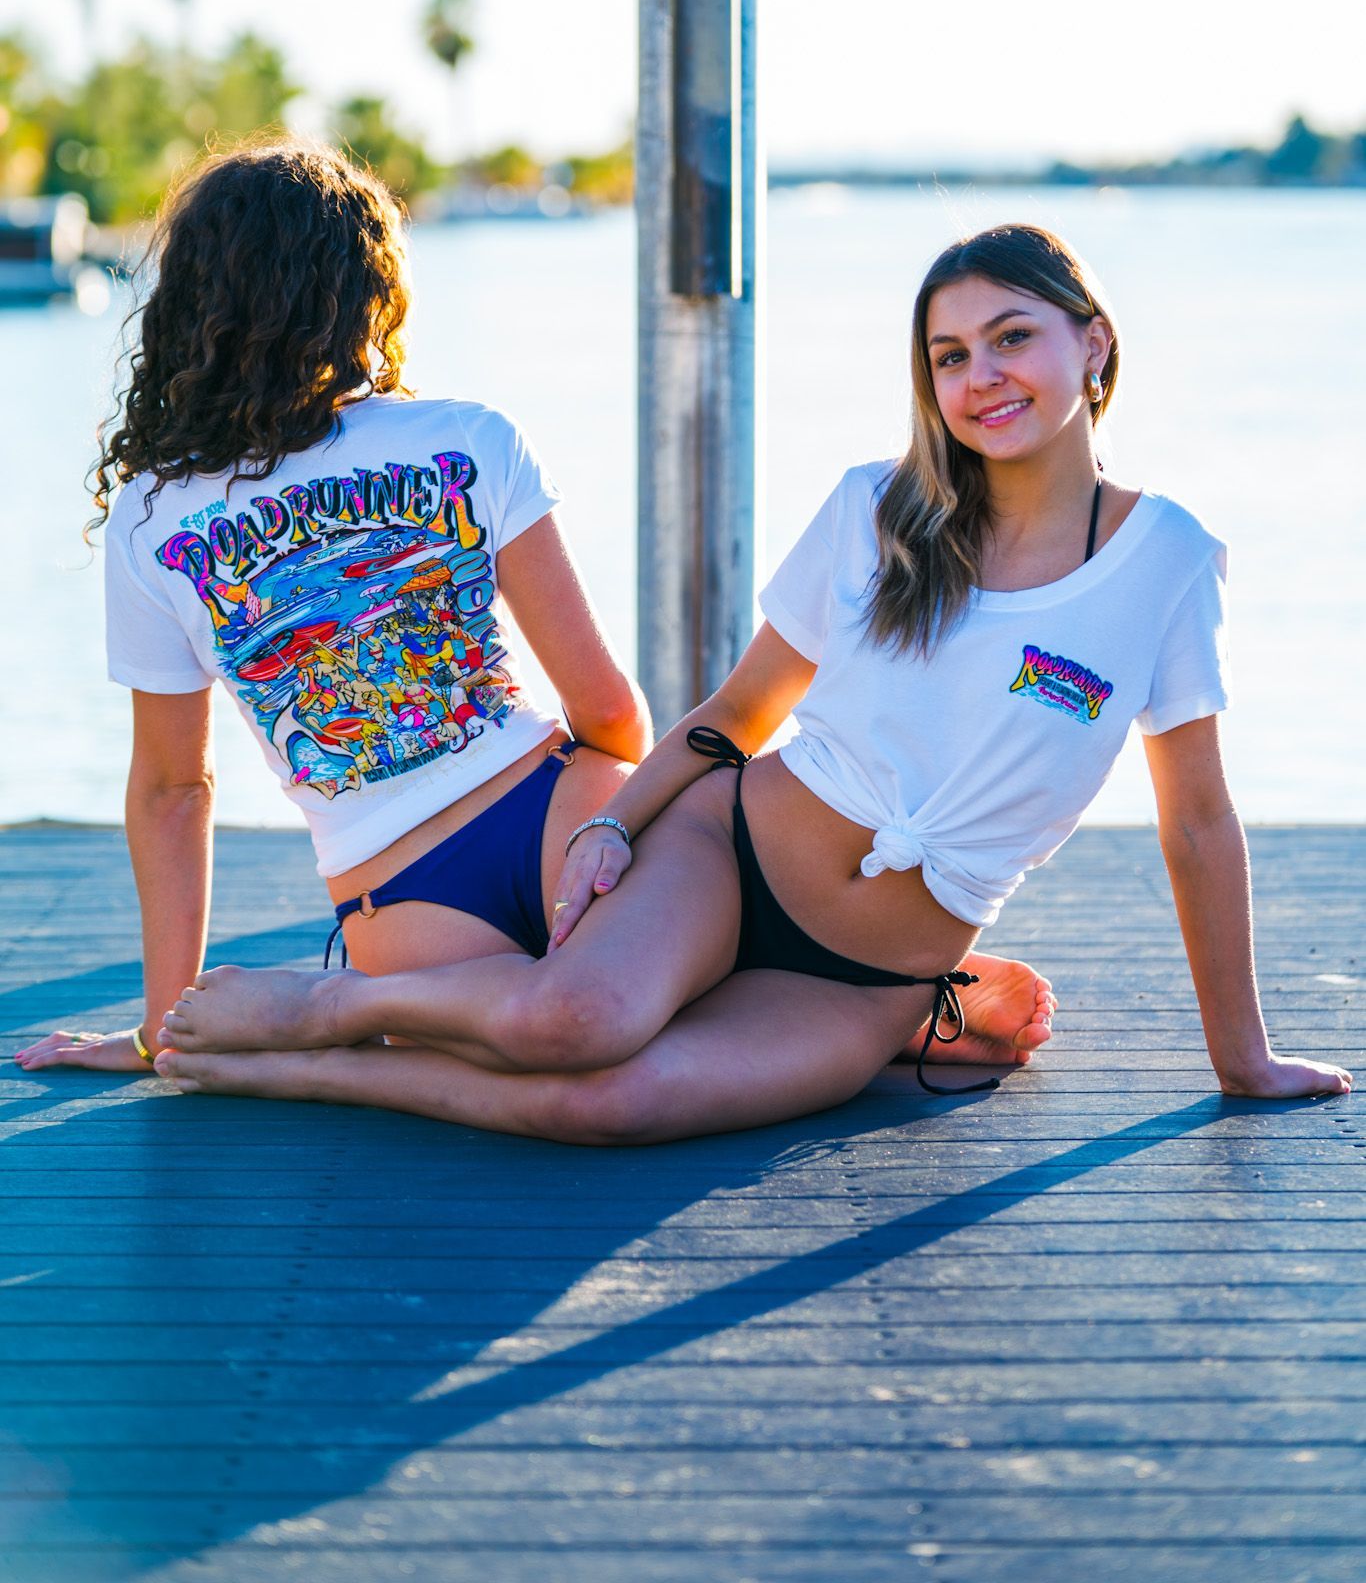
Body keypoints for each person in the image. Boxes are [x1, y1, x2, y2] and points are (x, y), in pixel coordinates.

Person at [147, 220, 1349, 1137]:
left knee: (600, 1108)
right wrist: (616, 824)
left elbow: (1196, 819)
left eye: (1011, 336)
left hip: (865, 979)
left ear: (1092, 343)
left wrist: (1241, 1060)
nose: (981, 375)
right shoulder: (877, 510)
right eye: (949, 354)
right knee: (578, 1021)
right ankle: (329, 1008)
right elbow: (734, 716)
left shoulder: (1167, 561)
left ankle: (307, 1065)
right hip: (732, 849)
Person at [14, 140, 654, 1078]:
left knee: (535, 1054)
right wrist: (631, 825)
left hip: (402, 897)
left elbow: (172, 792)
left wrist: (164, 1029)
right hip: (559, 807)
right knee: (685, 1004)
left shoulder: (151, 517)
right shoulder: (469, 438)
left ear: (193, 305)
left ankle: (325, 1012)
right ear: (367, 289)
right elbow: (611, 714)